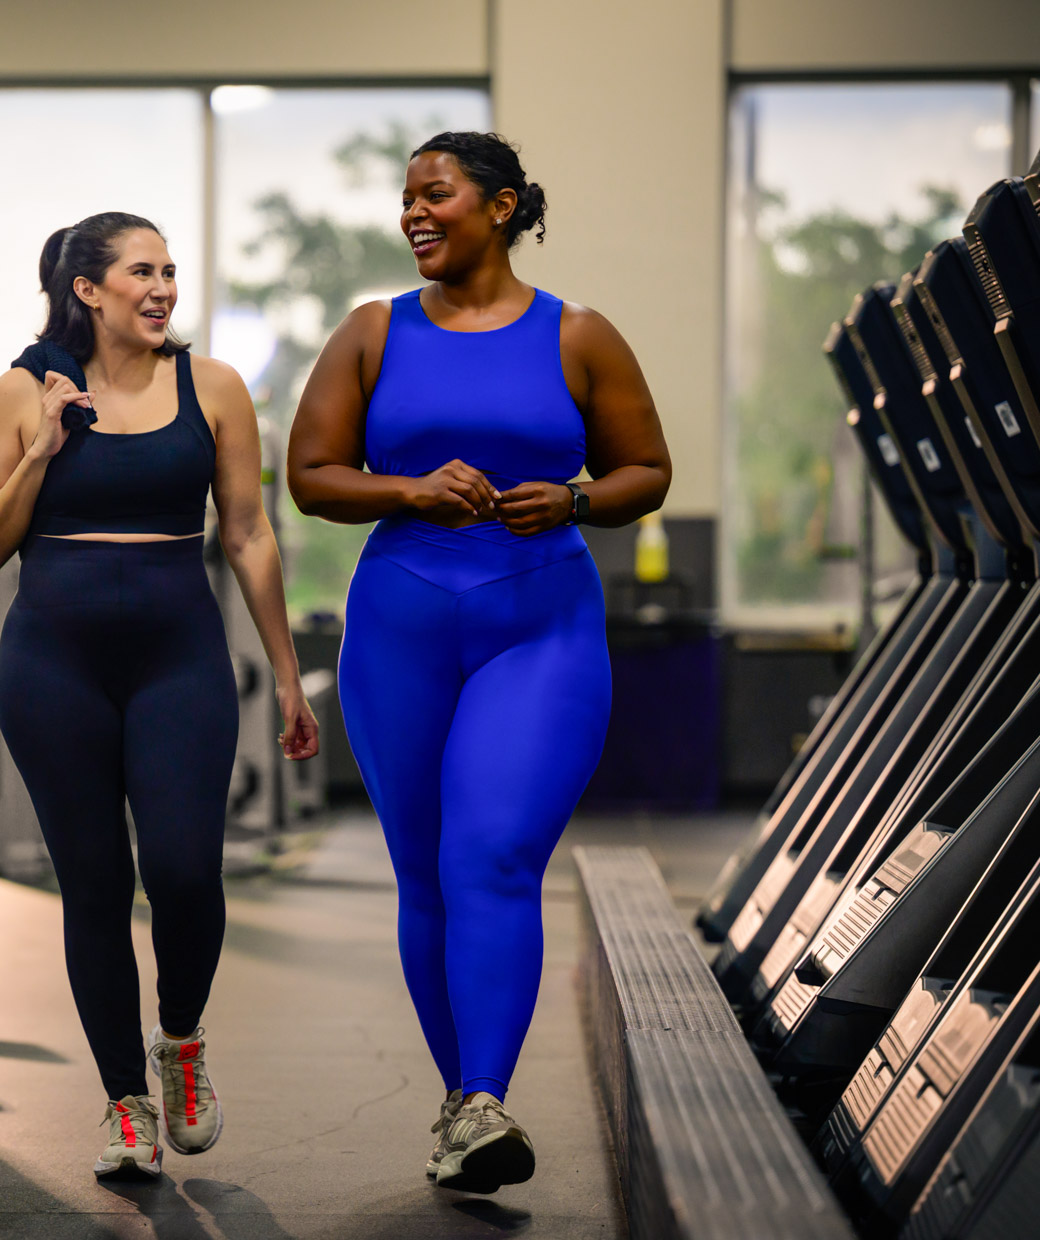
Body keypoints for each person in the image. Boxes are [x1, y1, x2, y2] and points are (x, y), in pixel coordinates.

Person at [287, 131, 671, 1194]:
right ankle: (464, 1105)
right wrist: (406, 490)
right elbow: (311, 475)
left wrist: (581, 498)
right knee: (426, 873)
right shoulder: (372, 332)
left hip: (538, 622)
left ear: (500, 207)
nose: (414, 213)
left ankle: (484, 1096)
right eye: (406, 198)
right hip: (400, 624)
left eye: (436, 194)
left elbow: (647, 468)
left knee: (492, 856)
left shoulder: (579, 334)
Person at [0, 211, 319, 1179]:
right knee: (92, 885)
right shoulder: (19, 391)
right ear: (88, 289)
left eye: (170, 271)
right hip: (53, 667)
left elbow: (246, 533)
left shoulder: (214, 389)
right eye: (141, 271)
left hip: (178, 660)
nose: (163, 287)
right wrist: (40, 451)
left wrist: (286, 673)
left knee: (183, 871)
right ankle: (125, 1102)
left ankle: (181, 1040)